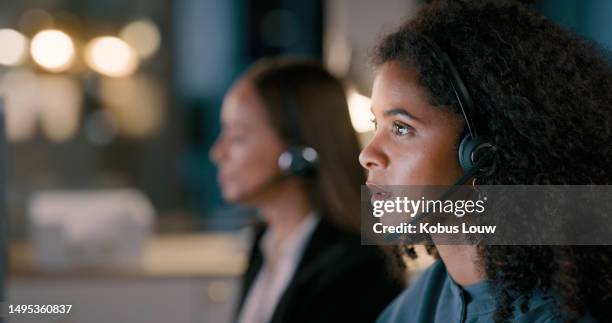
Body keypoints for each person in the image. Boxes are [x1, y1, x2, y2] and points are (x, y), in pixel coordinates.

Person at [359, 1, 612, 322]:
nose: (367, 154)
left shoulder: (564, 312)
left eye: (400, 128)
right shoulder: (418, 302)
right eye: (375, 125)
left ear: (481, 152)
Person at [210, 57, 403, 323]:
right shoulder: (264, 242)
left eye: (238, 137)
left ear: (297, 152)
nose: (217, 153)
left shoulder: (357, 270)